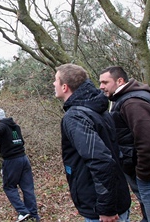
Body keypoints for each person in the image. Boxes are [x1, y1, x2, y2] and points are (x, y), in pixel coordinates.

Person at [99, 66, 150, 222]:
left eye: (105, 82)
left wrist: (143, 175)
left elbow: (148, 143)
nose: (101, 86)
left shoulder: (133, 103)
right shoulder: (124, 100)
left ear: (120, 81)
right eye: (100, 82)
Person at [54, 64, 131, 222]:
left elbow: (101, 161)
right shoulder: (96, 108)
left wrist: (106, 208)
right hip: (115, 198)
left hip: (103, 209)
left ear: (64, 86)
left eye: (55, 80)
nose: (53, 84)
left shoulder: (75, 116)